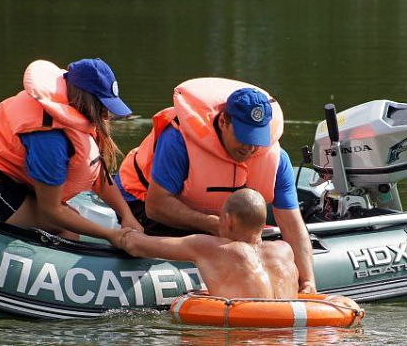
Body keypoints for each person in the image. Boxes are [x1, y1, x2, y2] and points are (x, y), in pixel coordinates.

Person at [116, 77, 316, 293]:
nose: (250, 147)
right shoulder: (178, 140)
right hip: (143, 200)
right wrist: (211, 225)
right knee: (205, 246)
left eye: (256, 138)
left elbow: (292, 223)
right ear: (223, 122)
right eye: (243, 136)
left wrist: (308, 282)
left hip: (222, 219)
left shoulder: (277, 158)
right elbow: (155, 207)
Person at [0, 58, 143, 247]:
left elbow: (98, 175)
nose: (107, 115)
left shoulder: (73, 115)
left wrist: (126, 215)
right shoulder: (50, 138)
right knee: (66, 226)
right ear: (84, 100)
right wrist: (110, 235)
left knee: (68, 219)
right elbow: (52, 211)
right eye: (103, 106)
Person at [121, 188, 299, 299]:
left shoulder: (211, 248)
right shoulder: (285, 250)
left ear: (227, 220)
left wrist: (126, 229)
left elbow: (135, 245)